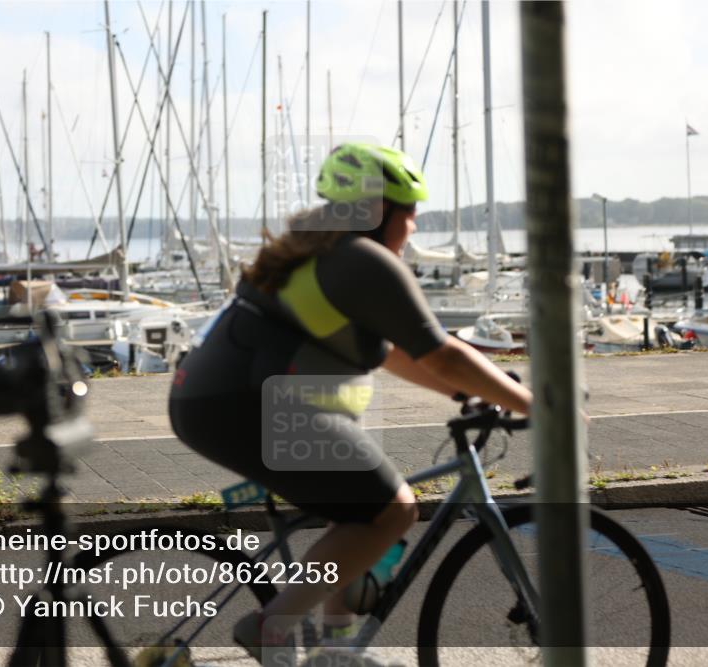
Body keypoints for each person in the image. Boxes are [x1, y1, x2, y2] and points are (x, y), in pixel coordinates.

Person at [168, 142, 532, 664]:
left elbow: (398, 355)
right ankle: (270, 627)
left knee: (361, 509)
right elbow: (441, 353)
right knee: (393, 509)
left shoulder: (323, 250)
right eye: (411, 215)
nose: (413, 229)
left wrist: (468, 392)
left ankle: (335, 646)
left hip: (212, 400)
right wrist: (533, 404)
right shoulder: (364, 262)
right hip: (246, 406)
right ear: (381, 211)